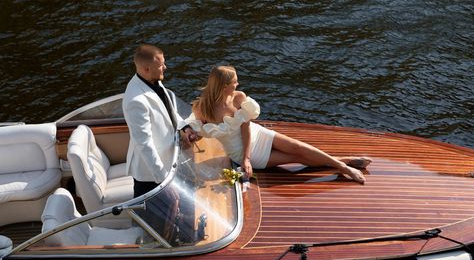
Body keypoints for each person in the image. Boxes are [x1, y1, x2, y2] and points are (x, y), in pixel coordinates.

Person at [188, 65, 371, 184]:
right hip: (239, 152)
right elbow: (193, 128)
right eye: (235, 81)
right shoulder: (203, 107)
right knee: (297, 158)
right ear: (224, 85)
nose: (238, 83)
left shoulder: (239, 97)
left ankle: (344, 166)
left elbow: (245, 127)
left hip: (256, 135)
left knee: (298, 147)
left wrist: (246, 158)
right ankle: (343, 161)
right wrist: (245, 159)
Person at [123, 43, 198, 198]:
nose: (165, 67)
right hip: (151, 176)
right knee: (153, 220)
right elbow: (145, 145)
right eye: (161, 65)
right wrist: (164, 182)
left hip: (168, 163)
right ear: (146, 69)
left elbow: (168, 110)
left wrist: (184, 128)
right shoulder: (135, 101)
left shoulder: (152, 80)